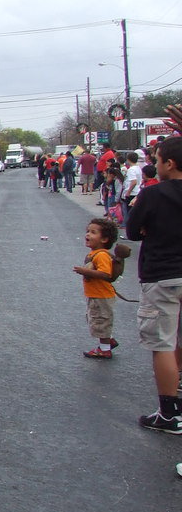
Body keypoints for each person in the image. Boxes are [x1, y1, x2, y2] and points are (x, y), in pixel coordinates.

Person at [122, 137, 182, 432]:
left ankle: (169, 413)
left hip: (163, 275)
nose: (154, 165)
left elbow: (132, 230)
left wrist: (147, 227)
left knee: (164, 345)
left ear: (169, 164)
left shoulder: (153, 194)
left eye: (157, 160)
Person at [73, 218, 120, 358]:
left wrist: (85, 271)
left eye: (93, 232)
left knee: (100, 321)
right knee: (96, 319)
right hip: (96, 294)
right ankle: (108, 340)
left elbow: (105, 274)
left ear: (105, 239)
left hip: (101, 296)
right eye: (88, 231)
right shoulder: (94, 253)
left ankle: (105, 349)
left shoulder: (101, 255)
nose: (88, 234)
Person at [121, 151, 143, 226]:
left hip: (132, 193)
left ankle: (129, 228)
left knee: (128, 212)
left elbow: (134, 182)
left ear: (128, 159)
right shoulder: (138, 168)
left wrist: (128, 192)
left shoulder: (131, 170)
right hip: (137, 191)